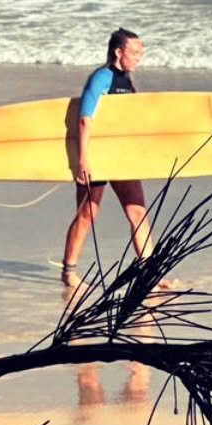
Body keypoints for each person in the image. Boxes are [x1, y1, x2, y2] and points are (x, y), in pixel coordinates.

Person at [61, 27, 155, 280]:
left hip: (120, 157)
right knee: (87, 213)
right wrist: (83, 160)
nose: (139, 57)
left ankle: (149, 276)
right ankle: (69, 271)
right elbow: (85, 119)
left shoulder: (127, 81)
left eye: (141, 53)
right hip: (96, 156)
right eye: (134, 52)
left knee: (138, 212)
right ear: (118, 51)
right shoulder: (102, 77)